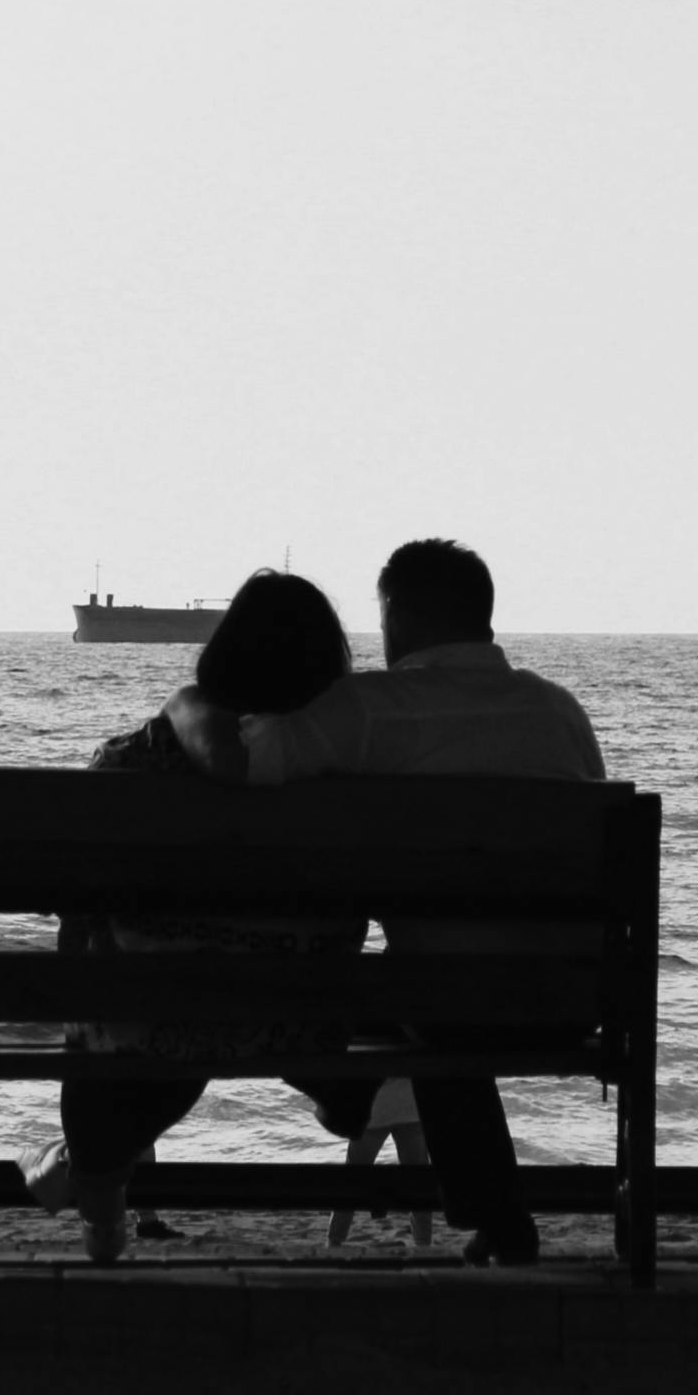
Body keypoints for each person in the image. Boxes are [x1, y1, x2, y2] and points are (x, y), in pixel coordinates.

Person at [163, 537, 605, 1267]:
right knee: (447, 991)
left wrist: (189, 703)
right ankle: (496, 1216)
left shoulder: (369, 709)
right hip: (570, 995)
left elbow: (237, 762)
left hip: (439, 999)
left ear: (397, 611)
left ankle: (389, 1125)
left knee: (408, 991)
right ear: (482, 616)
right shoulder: (560, 713)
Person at [21, 570, 381, 1262]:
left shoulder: (128, 761)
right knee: (213, 1000)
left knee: (134, 996)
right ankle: (337, 1098)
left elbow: (72, 903)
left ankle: (95, 1193)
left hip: (152, 1020)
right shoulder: (347, 775)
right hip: (295, 1019)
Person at [326, 1077, 434, 1250]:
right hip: (409, 1107)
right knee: (418, 1178)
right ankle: (423, 1242)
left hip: (374, 1110)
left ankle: (335, 1239)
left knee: (352, 1176)